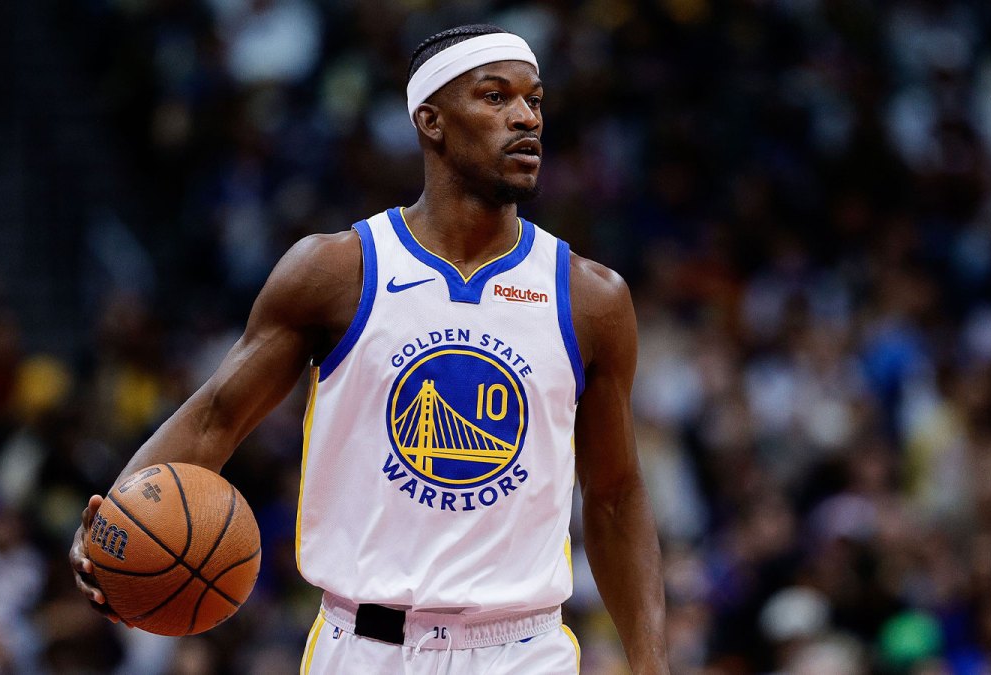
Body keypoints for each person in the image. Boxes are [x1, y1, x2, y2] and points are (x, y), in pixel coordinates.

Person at [70, 24, 669, 674]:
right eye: (496, 97)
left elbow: (614, 495)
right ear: (431, 121)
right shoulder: (336, 271)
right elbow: (217, 415)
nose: (526, 118)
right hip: (362, 646)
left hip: (523, 651)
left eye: (535, 100)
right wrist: (112, 521)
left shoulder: (590, 297)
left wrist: (651, 663)